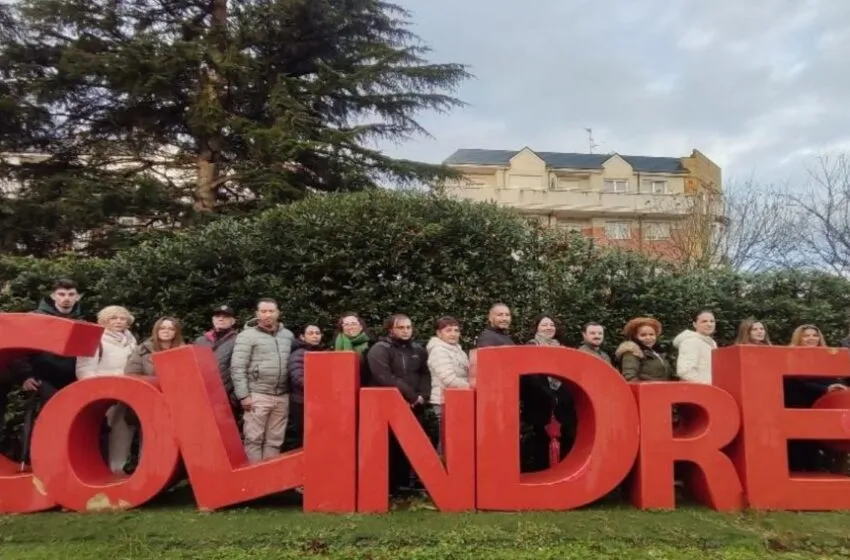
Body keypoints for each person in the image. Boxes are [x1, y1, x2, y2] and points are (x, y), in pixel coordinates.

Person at [367, 314, 430, 494]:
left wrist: (422, 396)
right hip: (389, 406)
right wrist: (411, 396)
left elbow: (425, 374)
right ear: (391, 330)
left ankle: (406, 483)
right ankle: (388, 485)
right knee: (389, 446)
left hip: (415, 405)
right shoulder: (380, 349)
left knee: (411, 445)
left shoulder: (419, 350)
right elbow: (384, 377)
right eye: (401, 328)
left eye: (408, 327)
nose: (405, 331)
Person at [230, 298, 294, 463]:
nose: (267, 315)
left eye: (271, 311)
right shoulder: (246, 336)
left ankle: (269, 483)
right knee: (253, 439)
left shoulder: (288, 336)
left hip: (282, 395)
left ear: (278, 313)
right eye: (264, 311)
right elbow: (237, 367)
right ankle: (253, 483)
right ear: (257, 314)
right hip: (257, 395)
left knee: (275, 440)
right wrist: (244, 395)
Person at [75, 305, 138, 474]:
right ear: (104, 321)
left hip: (128, 392)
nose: (118, 321)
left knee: (123, 430)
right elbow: (84, 369)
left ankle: (118, 469)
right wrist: (95, 394)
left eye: (122, 318)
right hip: (104, 394)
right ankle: (98, 469)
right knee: (102, 432)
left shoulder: (131, 340)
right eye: (113, 318)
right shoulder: (95, 339)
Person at [786, 324, 848, 472]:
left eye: (814, 335)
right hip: (800, 409)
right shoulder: (790, 356)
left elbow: (832, 378)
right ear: (799, 338)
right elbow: (795, 383)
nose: (811, 338)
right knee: (800, 453)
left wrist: (839, 387)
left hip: (824, 410)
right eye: (807, 336)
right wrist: (825, 389)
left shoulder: (827, 356)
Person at [524, 314, 575, 471]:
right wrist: (546, 392)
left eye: (551, 325)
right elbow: (530, 376)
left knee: (566, 438)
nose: (549, 327)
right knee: (541, 441)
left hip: (562, 402)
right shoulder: (531, 346)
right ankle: (542, 474)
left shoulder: (562, 347)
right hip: (541, 402)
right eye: (544, 325)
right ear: (537, 328)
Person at [19, 279, 84, 401]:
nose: (66, 298)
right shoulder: (34, 319)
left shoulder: (82, 323)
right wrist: (25, 376)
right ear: (53, 296)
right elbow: (19, 350)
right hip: (41, 380)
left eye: (71, 294)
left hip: (72, 381)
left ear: (78, 297)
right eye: (61, 294)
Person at [426, 316, 469, 453]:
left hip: (458, 400)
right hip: (443, 401)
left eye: (456, 330)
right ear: (439, 333)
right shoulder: (438, 350)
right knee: (446, 440)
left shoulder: (458, 350)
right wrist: (472, 387)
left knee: (455, 439)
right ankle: (442, 470)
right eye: (448, 330)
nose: (453, 334)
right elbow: (448, 378)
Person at [286, 323, 325, 451]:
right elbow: (298, 377)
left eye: (317, 333)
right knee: (303, 437)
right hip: (301, 402)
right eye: (311, 333)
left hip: (316, 402)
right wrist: (318, 389)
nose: (315, 336)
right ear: (302, 337)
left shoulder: (323, 352)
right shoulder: (299, 353)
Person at [194, 305, 239, 407]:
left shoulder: (239, 341)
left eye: (225, 317)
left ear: (233, 321)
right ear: (213, 319)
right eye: (217, 316)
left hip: (226, 397)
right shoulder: (200, 341)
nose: (221, 319)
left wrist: (233, 397)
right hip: (202, 394)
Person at [616, 317, 672, 382]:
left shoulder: (658, 352)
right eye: (643, 335)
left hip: (662, 390)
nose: (648, 337)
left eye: (651, 334)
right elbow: (630, 378)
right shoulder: (632, 352)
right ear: (635, 336)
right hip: (645, 391)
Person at [673, 310, 717, 384]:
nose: (709, 324)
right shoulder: (690, 342)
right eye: (704, 321)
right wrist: (707, 386)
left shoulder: (712, 343)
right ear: (695, 324)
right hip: (698, 390)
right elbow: (685, 371)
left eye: (712, 321)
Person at [332, 312, 372, 384]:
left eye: (353, 324)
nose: (350, 327)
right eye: (346, 325)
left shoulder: (371, 344)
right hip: (342, 384)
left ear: (361, 327)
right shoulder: (336, 343)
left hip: (366, 385)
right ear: (342, 328)